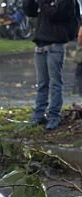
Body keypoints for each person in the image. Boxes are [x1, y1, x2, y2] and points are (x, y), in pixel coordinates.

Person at [24, 0, 82, 129]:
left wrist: (42, 3)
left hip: (55, 44)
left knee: (55, 83)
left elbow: (55, 14)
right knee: (42, 83)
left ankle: (54, 116)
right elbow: (31, 11)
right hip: (40, 44)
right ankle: (38, 115)